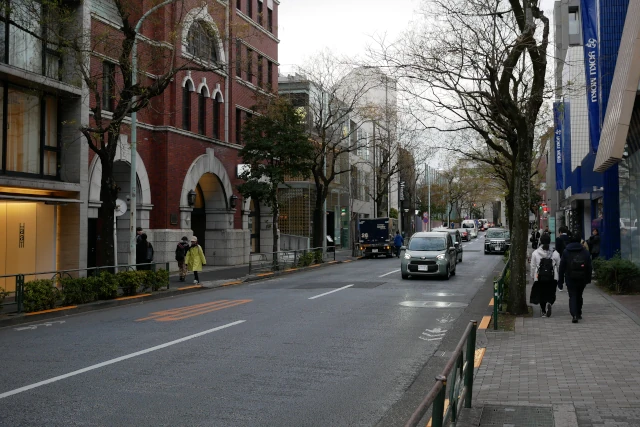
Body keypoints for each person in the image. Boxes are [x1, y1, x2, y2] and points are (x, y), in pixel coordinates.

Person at [558, 232, 593, 323]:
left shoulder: (566, 251)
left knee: (572, 295)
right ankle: (579, 312)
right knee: (579, 295)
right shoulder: (585, 251)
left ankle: (574, 314)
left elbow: (562, 267)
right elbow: (589, 266)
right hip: (582, 277)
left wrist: (560, 281)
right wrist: (589, 278)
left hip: (570, 277)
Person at [530, 233, 561, 317]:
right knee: (551, 292)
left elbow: (533, 266)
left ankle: (543, 311)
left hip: (540, 276)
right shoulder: (555, 253)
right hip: (552, 276)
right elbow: (558, 265)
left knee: (542, 293)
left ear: (541, 241)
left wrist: (533, 276)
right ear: (550, 241)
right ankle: (550, 302)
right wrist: (558, 275)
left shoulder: (535, 253)